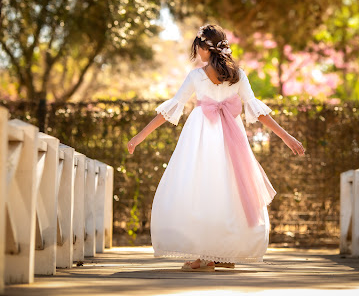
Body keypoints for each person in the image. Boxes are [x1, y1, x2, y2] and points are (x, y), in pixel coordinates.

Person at [127, 24, 305, 271]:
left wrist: (139, 136)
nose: (197, 53)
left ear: (202, 48)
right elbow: (258, 111)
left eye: (197, 48)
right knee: (229, 190)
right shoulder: (238, 75)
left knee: (201, 189)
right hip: (232, 138)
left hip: (200, 135)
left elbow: (171, 110)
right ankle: (222, 253)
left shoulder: (196, 76)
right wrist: (287, 138)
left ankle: (204, 255)